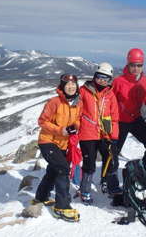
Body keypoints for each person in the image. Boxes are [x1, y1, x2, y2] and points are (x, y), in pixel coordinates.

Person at [109, 48, 146, 193]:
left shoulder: (144, 81)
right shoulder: (119, 82)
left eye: (139, 65)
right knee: (113, 152)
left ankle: (145, 170)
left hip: (135, 119)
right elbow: (109, 100)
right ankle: (110, 182)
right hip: (120, 121)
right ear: (128, 64)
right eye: (133, 65)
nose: (135, 68)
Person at [35, 73, 81, 222]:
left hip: (62, 144)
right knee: (62, 168)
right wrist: (60, 130)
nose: (71, 86)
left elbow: (78, 120)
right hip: (47, 141)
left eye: (73, 84)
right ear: (62, 86)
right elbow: (42, 121)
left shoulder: (77, 103)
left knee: (54, 171)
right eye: (67, 84)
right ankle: (62, 206)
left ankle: (41, 197)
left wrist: (75, 127)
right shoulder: (54, 102)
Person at [78, 62, 120, 204]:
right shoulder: (83, 91)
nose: (102, 81)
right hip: (87, 133)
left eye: (106, 78)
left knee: (110, 160)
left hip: (105, 134)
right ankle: (85, 190)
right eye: (100, 77)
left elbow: (114, 117)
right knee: (89, 164)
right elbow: (76, 111)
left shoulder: (110, 95)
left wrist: (113, 137)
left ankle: (108, 184)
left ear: (110, 80)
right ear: (95, 76)